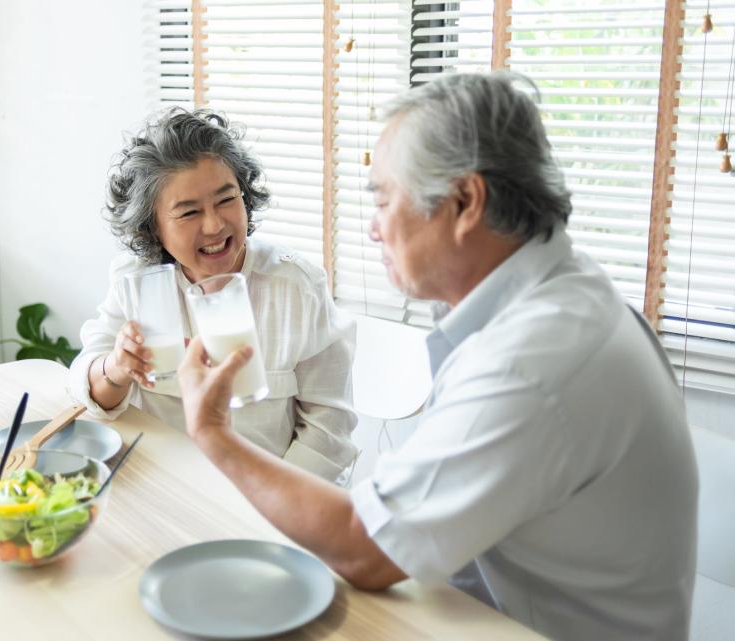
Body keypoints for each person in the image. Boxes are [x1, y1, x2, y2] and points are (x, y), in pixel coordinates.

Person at [176, 72, 698, 641]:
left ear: (466, 201)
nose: (374, 228)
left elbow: (364, 549)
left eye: (383, 198)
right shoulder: (563, 294)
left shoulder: (532, 363)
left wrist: (212, 431)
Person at [69, 108, 357, 483]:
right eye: (189, 212)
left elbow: (329, 430)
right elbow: (87, 391)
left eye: (226, 200)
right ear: (152, 227)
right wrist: (117, 368)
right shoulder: (136, 282)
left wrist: (269, 504)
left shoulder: (295, 286)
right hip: (163, 486)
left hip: (267, 496)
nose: (215, 225)